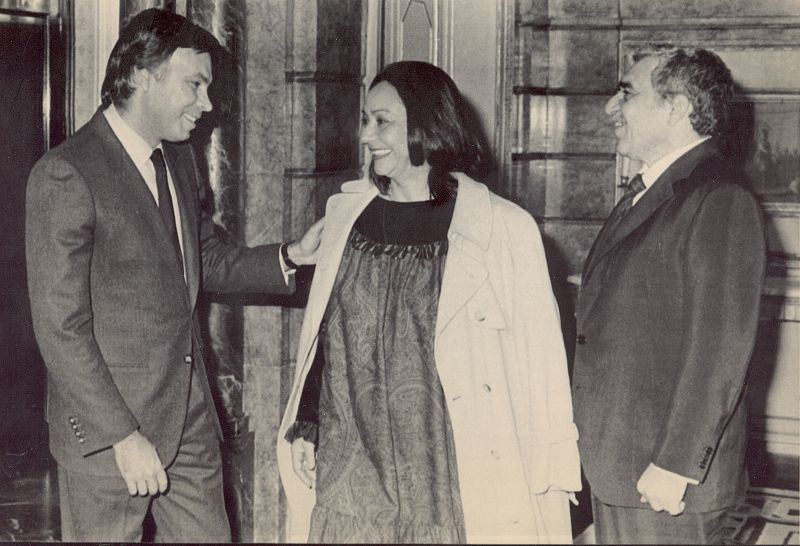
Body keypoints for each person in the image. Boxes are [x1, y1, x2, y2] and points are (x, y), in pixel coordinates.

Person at [25, 8, 322, 542]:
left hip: (189, 420)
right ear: (143, 74)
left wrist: (293, 254)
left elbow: (200, 258)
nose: (206, 105)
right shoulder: (67, 173)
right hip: (109, 434)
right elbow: (60, 329)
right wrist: (122, 435)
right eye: (195, 84)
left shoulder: (179, 160)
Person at [276, 61, 580, 544]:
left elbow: (543, 359)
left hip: (448, 460)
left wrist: (552, 462)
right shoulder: (346, 216)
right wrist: (308, 421)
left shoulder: (504, 228)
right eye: (365, 120)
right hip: (353, 455)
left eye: (382, 121)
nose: (367, 136)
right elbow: (328, 337)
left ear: (426, 125)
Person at [571, 47, 766, 544]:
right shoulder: (651, 191)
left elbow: (720, 347)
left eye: (627, 93)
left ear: (677, 108)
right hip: (622, 463)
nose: (610, 109)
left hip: (666, 481)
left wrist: (675, 464)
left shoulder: (719, 197)